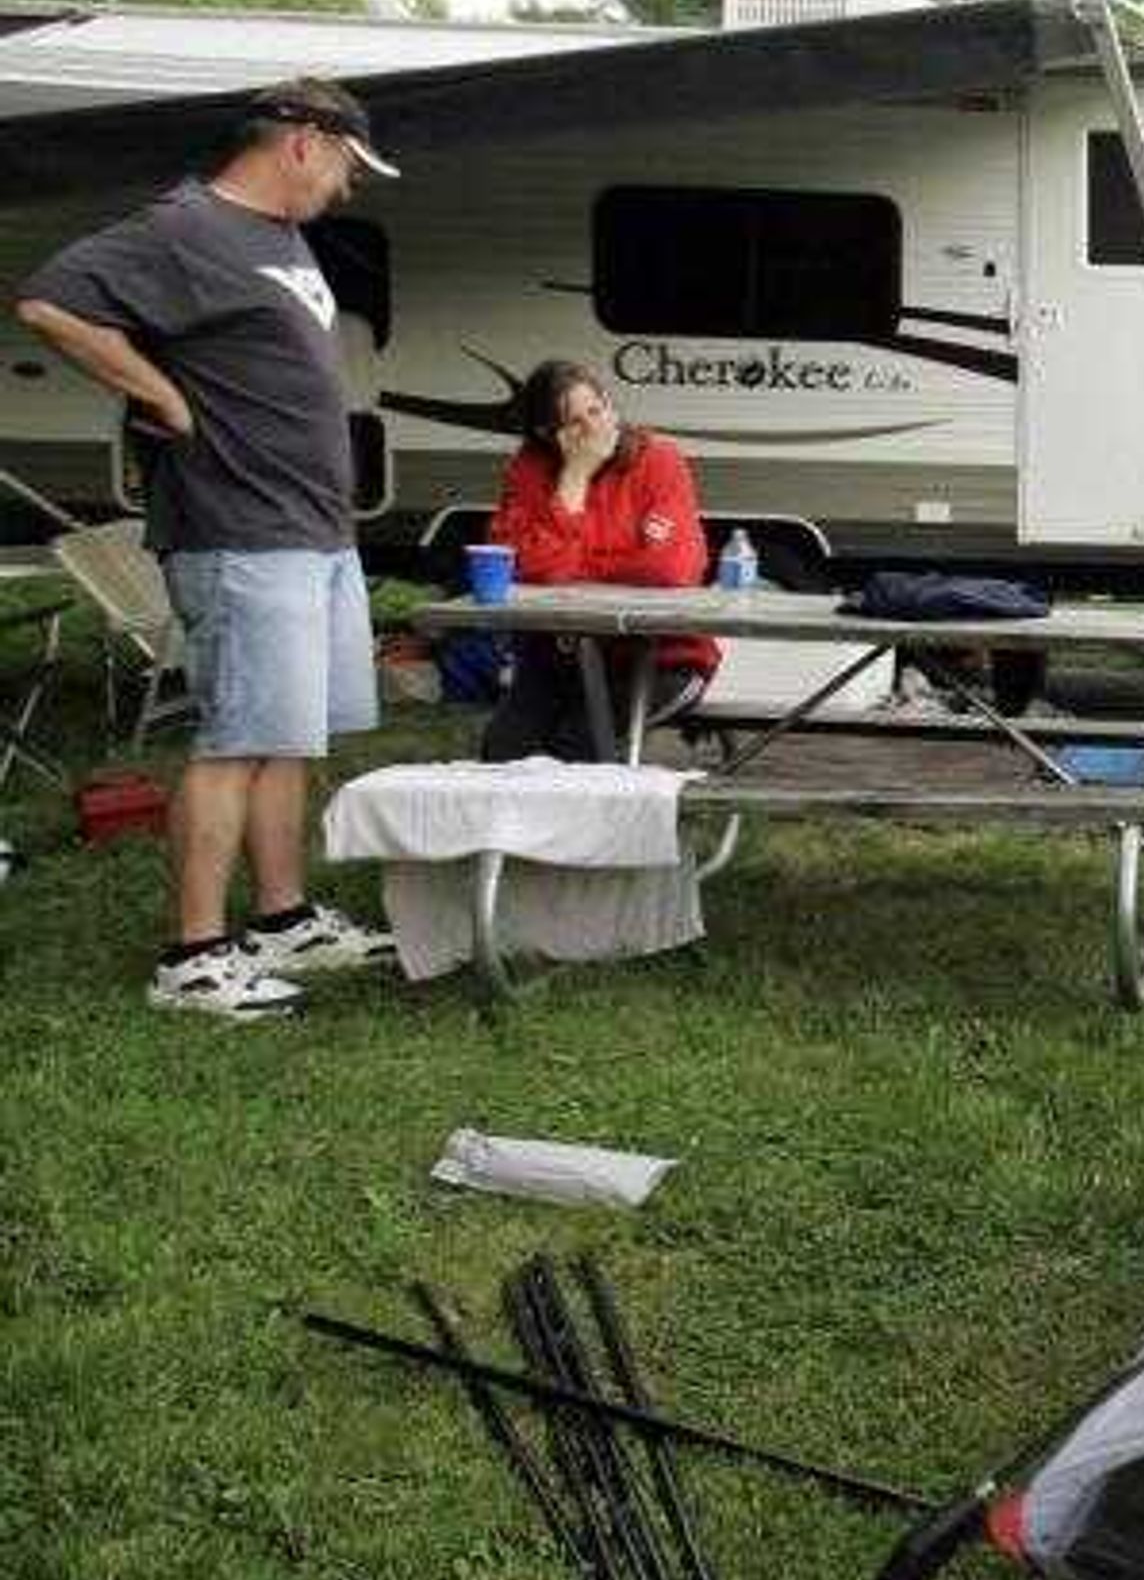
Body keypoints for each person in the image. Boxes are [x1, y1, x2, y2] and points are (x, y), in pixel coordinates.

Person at [11, 78, 401, 1018]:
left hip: (310, 528)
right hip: (239, 528)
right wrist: (163, 396)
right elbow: (52, 303)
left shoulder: (278, 236)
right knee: (236, 737)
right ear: (304, 141)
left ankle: (282, 918)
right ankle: (193, 957)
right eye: (348, 164)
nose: (347, 186)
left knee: (288, 737)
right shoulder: (187, 225)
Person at [478, 359, 719, 761]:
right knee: (502, 752)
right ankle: (513, 826)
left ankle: (588, 823)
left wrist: (578, 561)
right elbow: (530, 567)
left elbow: (673, 570)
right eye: (574, 423)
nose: (593, 428)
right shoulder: (529, 469)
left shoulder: (658, 460)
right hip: (558, 657)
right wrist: (575, 476)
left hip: (662, 658)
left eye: (596, 410)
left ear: (610, 406)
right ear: (545, 433)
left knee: (576, 744)